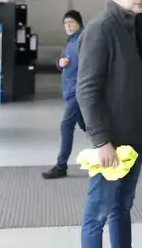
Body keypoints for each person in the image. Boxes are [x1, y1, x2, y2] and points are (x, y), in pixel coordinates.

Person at [77, 0, 142, 248]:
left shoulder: (135, 28)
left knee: (122, 208)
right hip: (112, 143)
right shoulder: (101, 29)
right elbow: (86, 90)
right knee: (96, 214)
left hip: (135, 138)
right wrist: (101, 141)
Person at [42, 10, 86, 179]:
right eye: (65, 23)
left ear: (79, 23)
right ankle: (111, 155)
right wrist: (60, 63)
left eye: (70, 22)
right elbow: (62, 60)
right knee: (89, 126)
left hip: (78, 92)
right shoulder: (71, 41)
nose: (67, 26)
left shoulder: (83, 40)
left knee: (66, 125)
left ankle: (61, 166)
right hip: (69, 92)